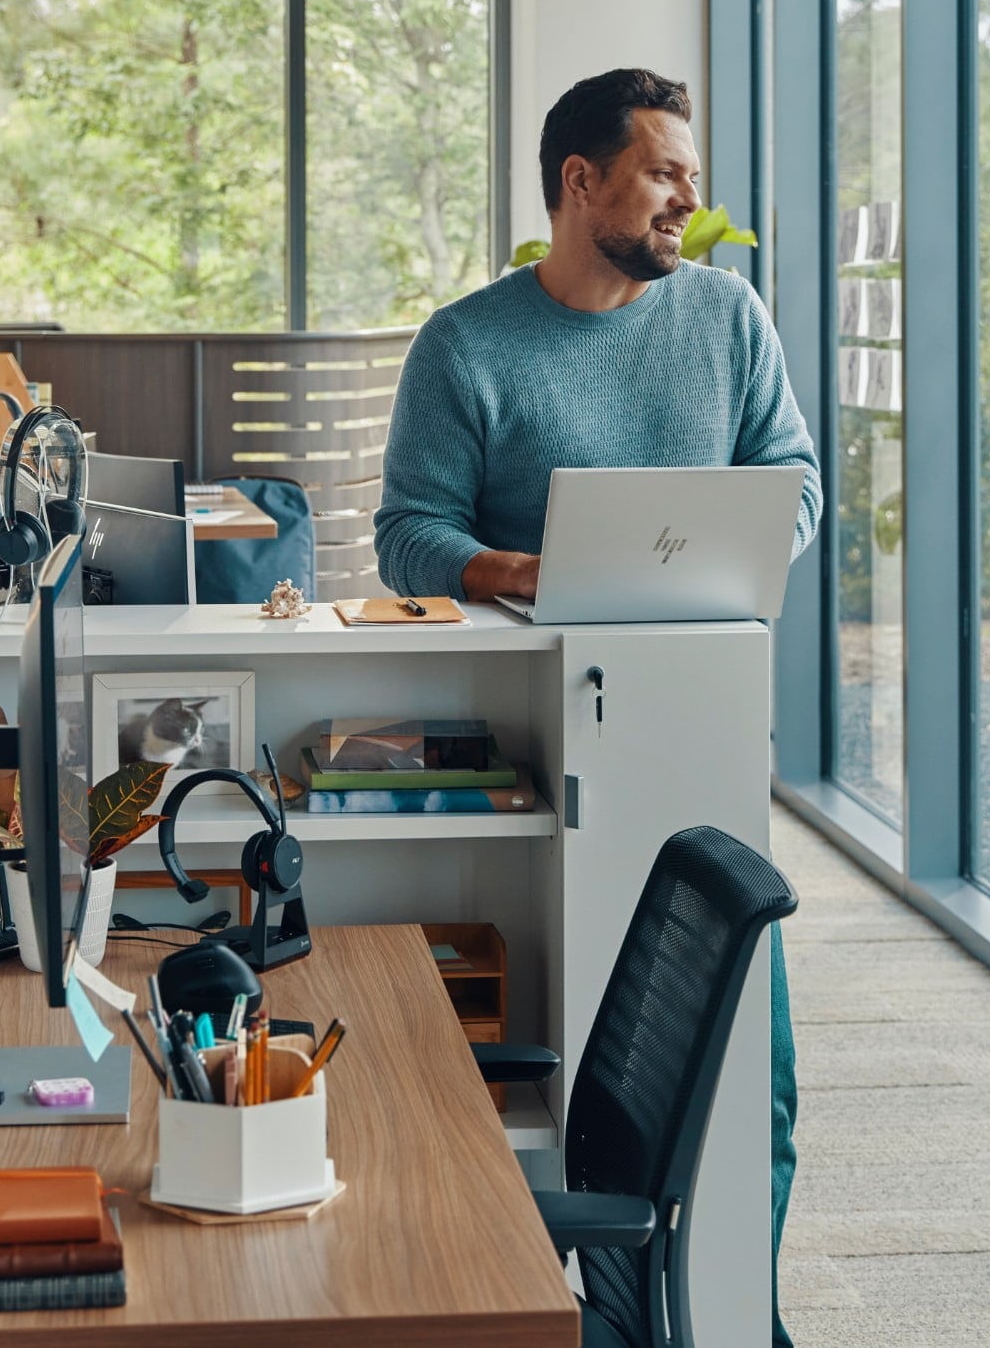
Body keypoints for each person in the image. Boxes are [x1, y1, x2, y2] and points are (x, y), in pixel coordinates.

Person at [374, 67, 820, 1348]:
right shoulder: (468, 344)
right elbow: (408, 534)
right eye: (666, 171)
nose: (691, 196)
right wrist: (519, 568)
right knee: (577, 1075)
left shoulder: (728, 319)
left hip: (705, 732)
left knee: (752, 1086)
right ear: (581, 182)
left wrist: (744, 546)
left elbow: (791, 474)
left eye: (689, 173)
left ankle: (739, 1314)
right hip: (556, 751)